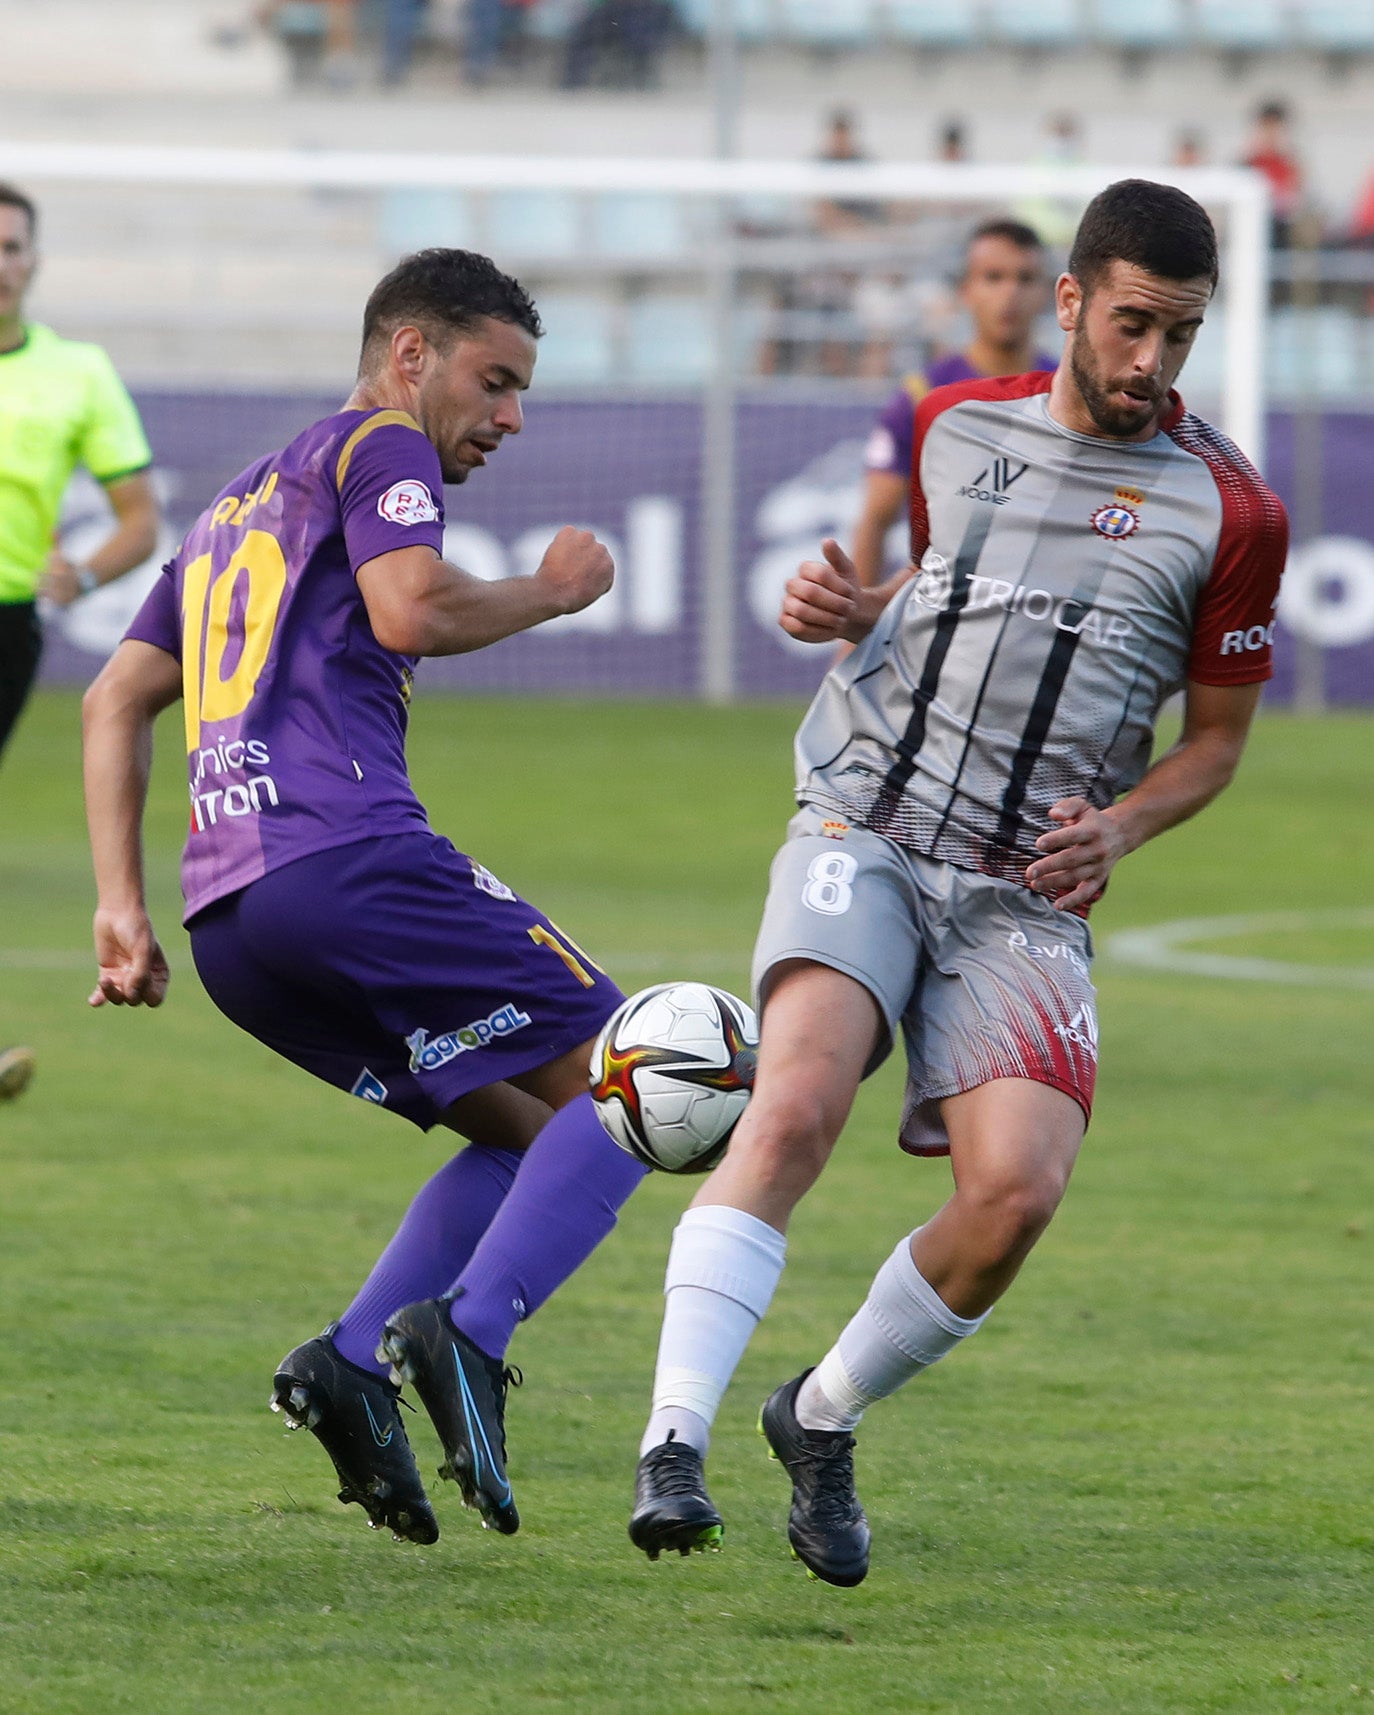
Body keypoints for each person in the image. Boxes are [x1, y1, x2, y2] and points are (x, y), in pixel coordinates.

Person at [628, 179, 1287, 1586]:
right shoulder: (952, 424)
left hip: (1022, 888)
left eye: (1179, 335)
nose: (1148, 363)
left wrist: (1123, 824)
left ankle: (818, 1412)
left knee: (1014, 1197)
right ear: (1067, 303)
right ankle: (668, 1440)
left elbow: (1218, 743)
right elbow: (942, 590)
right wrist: (852, 608)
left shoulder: (1233, 511)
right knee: (795, 1093)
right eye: (1128, 325)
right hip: (866, 816)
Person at [81, 248, 647, 1547]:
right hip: (346, 863)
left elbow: (114, 696)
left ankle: (347, 1359)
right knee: (636, 1081)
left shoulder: (235, 503)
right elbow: (407, 608)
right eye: (493, 381)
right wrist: (554, 590)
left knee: (516, 1129)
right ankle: (469, 1332)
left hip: (232, 927)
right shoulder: (379, 446)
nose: (509, 416)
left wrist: (122, 903)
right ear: (409, 355)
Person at [0, 182, 159, 771]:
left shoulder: (79, 374)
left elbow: (141, 521)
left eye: (12, 248)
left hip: (10, 617)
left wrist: (85, 579)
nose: (1, 265)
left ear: (34, 260)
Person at [851, 219, 1056, 592]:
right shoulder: (920, 396)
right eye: (993, 277)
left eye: (1025, 279)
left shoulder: (1069, 393)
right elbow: (876, 519)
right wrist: (851, 631)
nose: (1010, 293)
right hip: (938, 613)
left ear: (1048, 292)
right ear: (966, 291)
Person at [1240, 100, 1303, 250]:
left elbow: (1293, 203)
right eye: (1266, 128)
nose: (1270, 135)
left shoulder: (1290, 165)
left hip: (1281, 231)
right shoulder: (1244, 165)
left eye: (1275, 129)